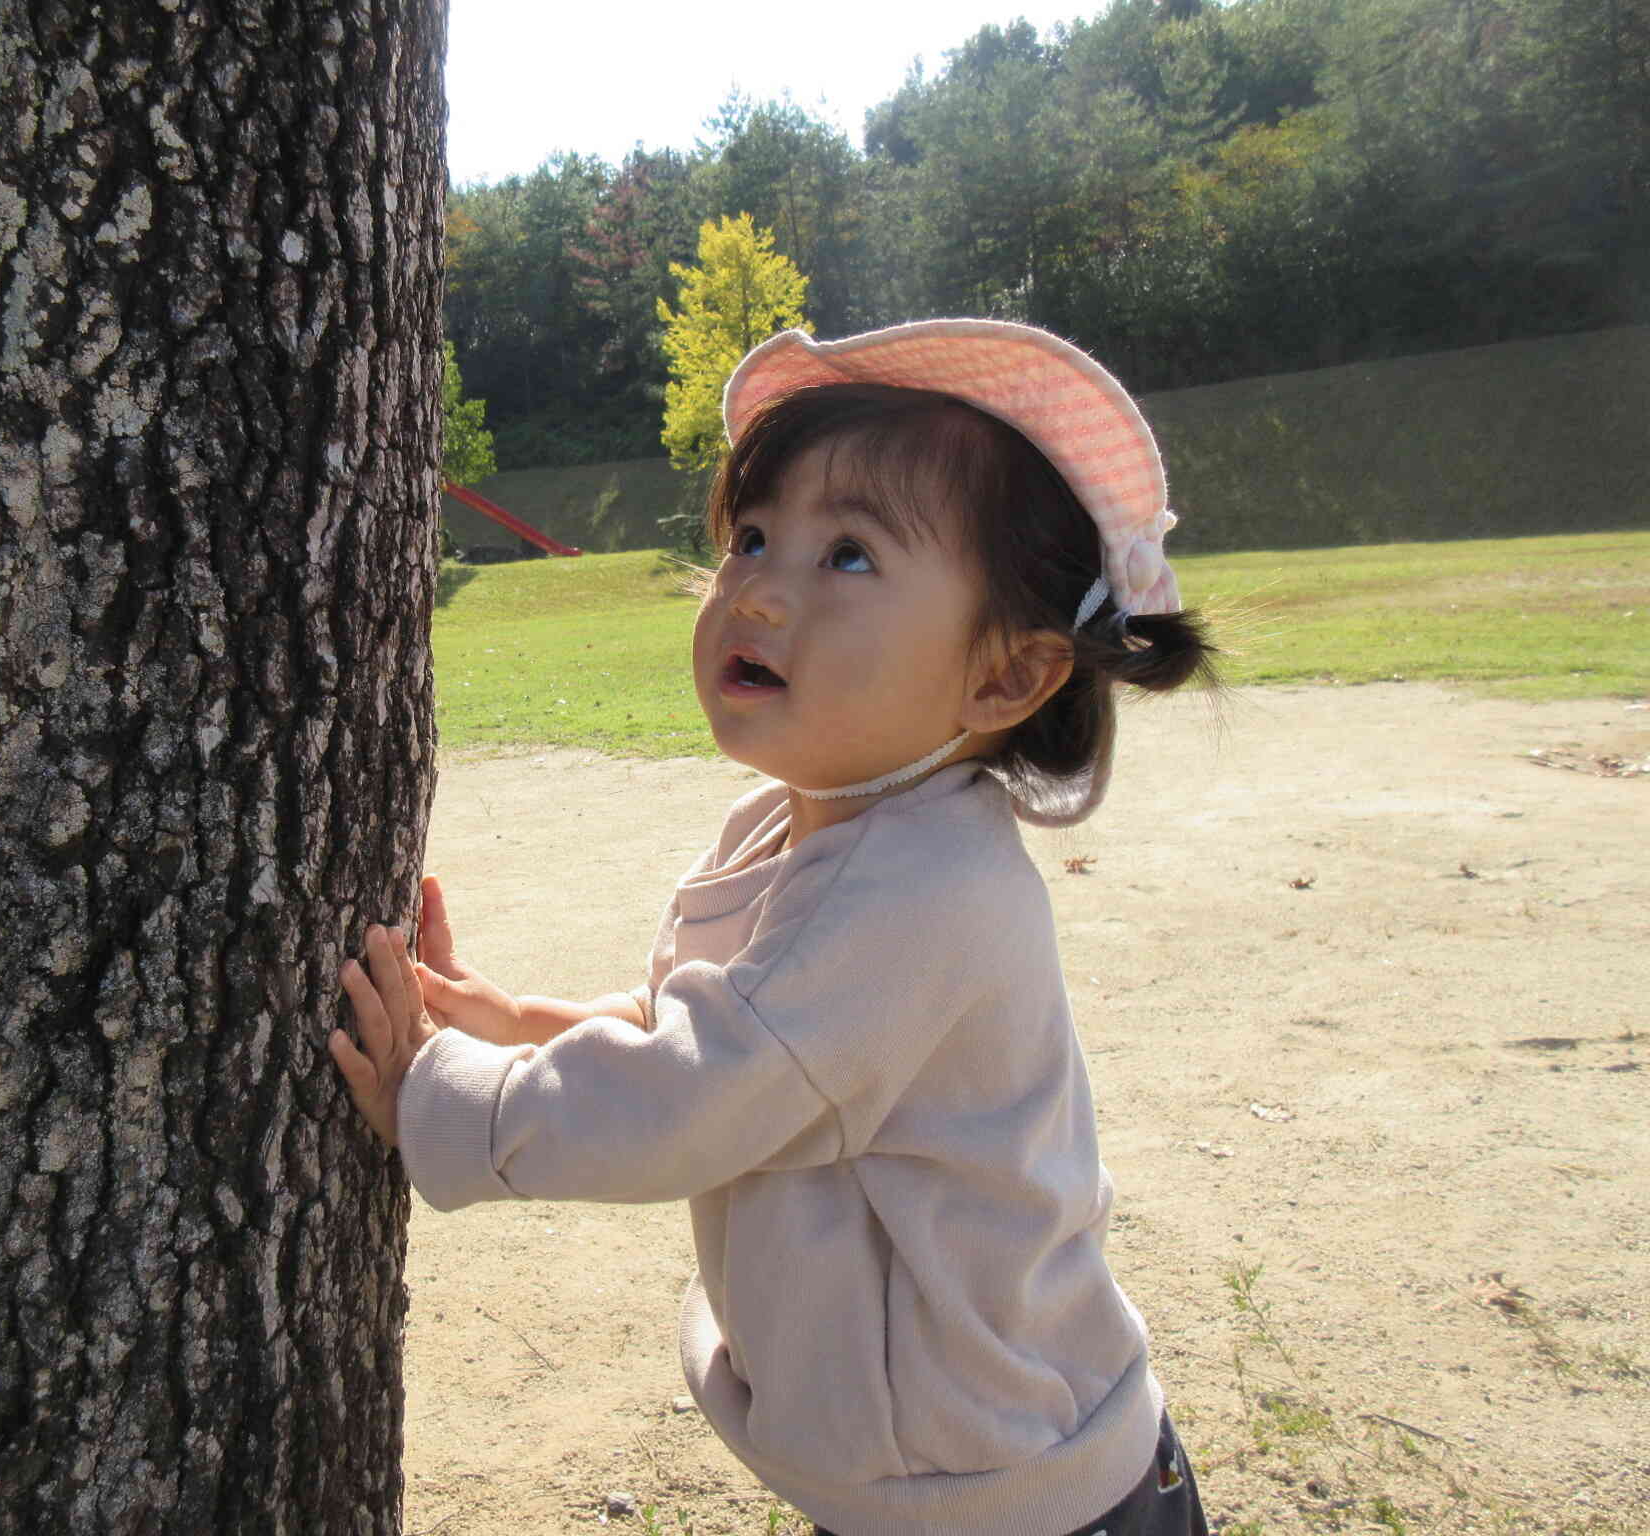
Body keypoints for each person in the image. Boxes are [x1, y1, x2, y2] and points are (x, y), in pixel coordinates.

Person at [329, 318, 1215, 1536]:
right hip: (945, 1472)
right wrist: (511, 1018)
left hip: (1010, 1492)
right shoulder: (795, 822)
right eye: (750, 537)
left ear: (1004, 677)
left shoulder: (920, 893)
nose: (754, 585)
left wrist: (436, 1097)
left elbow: (698, 1095)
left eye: (847, 555)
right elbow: (704, 1026)